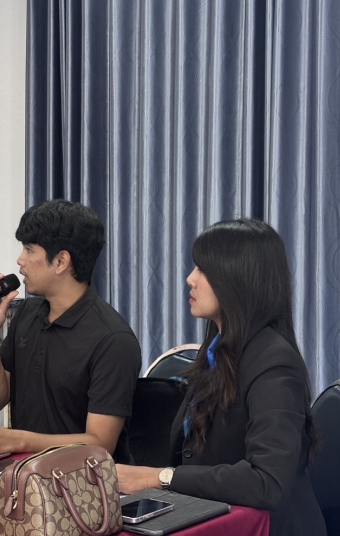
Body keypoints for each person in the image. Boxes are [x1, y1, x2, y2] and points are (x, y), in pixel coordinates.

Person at [115, 219, 326, 536]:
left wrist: (159, 477)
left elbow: (267, 480)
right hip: (212, 516)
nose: (190, 279)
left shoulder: (274, 361)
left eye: (203, 269)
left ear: (237, 278)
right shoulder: (217, 349)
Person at [0, 199, 141, 463]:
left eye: (29, 250)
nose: (20, 260)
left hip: (84, 480)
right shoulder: (27, 314)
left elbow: (100, 443)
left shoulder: (113, 339)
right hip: (25, 475)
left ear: (61, 261)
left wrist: (18, 440)